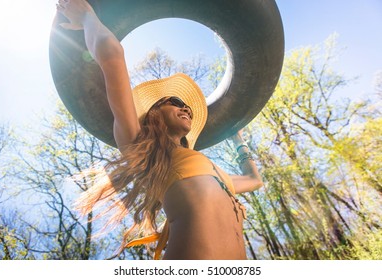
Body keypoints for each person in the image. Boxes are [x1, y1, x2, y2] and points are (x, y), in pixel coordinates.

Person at [57, 0, 263, 260]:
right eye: (175, 103)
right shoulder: (142, 150)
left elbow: (255, 180)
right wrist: (87, 17)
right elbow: (112, 56)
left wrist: (237, 139)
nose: (186, 108)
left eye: (187, 106)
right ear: (154, 113)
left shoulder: (216, 174)